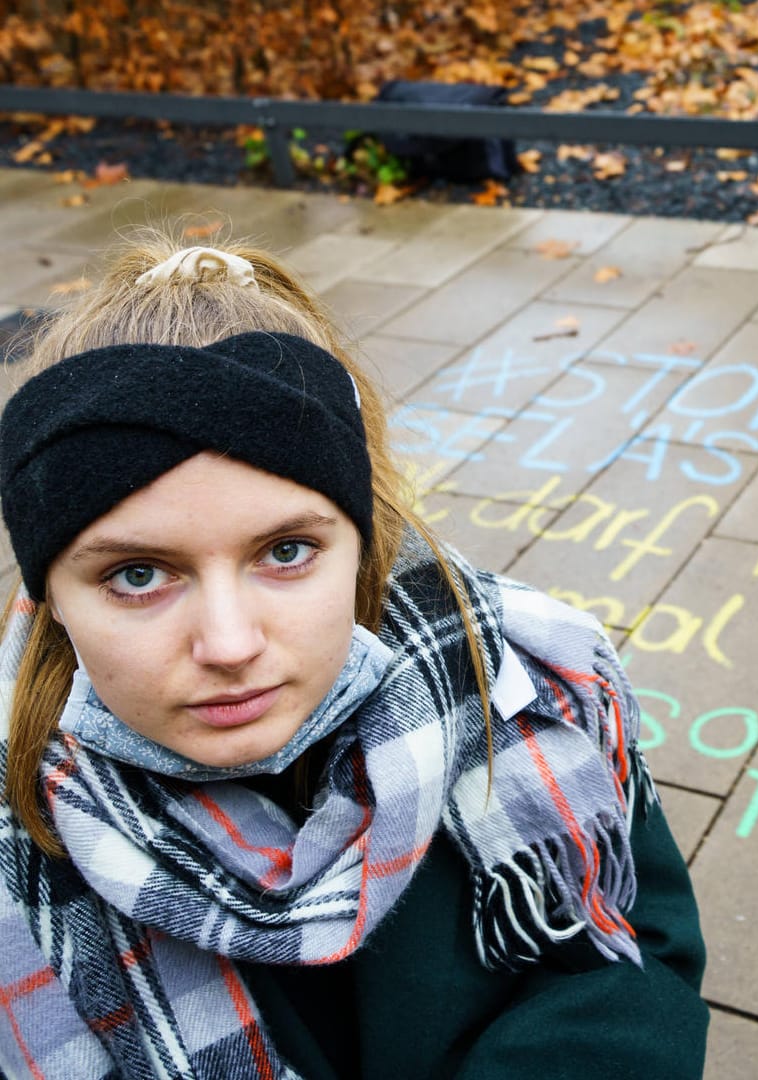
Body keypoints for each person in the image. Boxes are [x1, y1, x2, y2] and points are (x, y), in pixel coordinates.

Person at [0, 234, 708, 1079]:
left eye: (287, 552)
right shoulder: (24, 843)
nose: (229, 645)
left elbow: (641, 945)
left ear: (363, 544)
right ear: (48, 600)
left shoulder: (526, 685)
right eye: (138, 573)